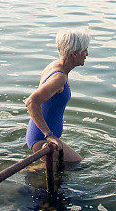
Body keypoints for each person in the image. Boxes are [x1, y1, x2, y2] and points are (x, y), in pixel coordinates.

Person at [25, 29, 90, 162]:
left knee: (62, 170)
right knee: (79, 165)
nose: (87, 54)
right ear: (74, 54)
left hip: (39, 135)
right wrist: (49, 135)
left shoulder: (55, 65)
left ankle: (34, 174)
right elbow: (31, 102)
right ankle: (27, 176)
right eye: (85, 50)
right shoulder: (59, 77)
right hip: (41, 139)